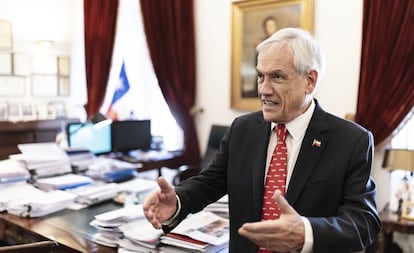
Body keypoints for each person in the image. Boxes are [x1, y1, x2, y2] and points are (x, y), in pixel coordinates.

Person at [143, 27, 382, 252]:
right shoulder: (242, 129)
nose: (263, 90)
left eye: (277, 77)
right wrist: (178, 201)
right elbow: (210, 182)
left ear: (309, 81)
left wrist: (305, 233)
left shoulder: (351, 141)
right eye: (260, 76)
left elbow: (364, 221)